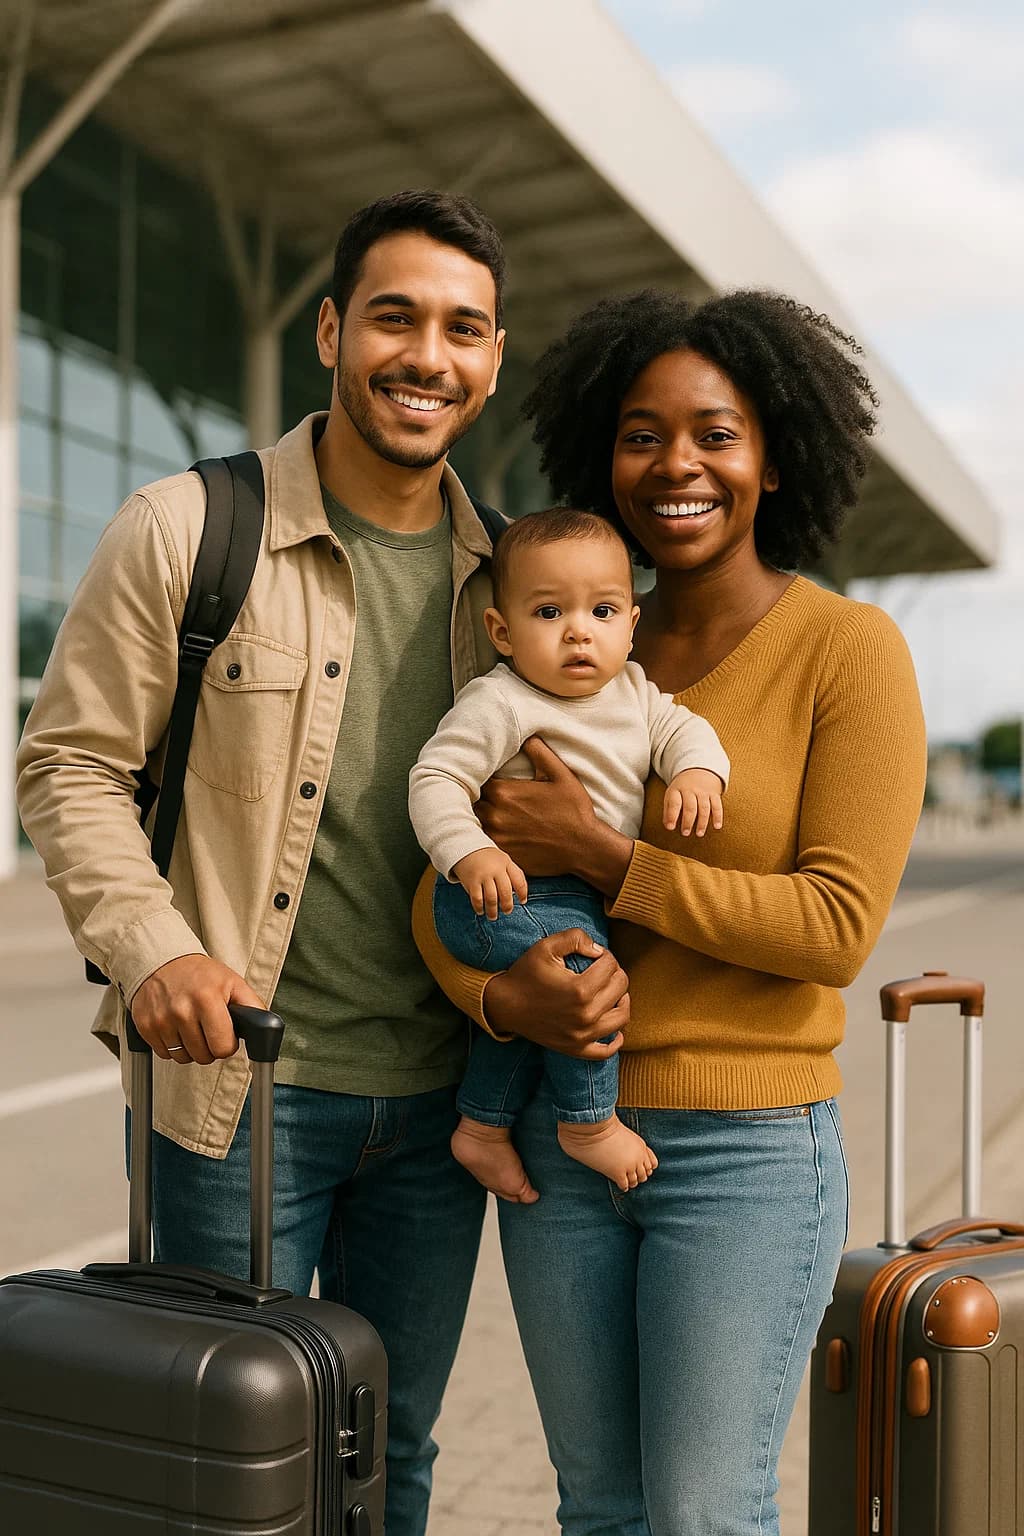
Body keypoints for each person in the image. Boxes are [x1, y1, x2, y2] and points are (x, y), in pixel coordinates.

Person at [15, 189, 624, 1536]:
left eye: (463, 329)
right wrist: (155, 945)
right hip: (241, 1097)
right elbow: (68, 764)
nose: (428, 356)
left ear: (495, 358)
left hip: (442, 1098)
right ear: (334, 332)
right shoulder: (189, 528)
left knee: (390, 1456)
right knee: (221, 1461)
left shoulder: (507, 582)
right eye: (395, 318)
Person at [413, 287, 928, 1536]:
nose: (677, 463)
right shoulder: (548, 648)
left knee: (703, 1511)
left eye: (715, 431)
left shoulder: (846, 650)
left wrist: (610, 851)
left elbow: (833, 928)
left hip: (745, 1154)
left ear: (775, 452)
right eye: (641, 434)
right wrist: (493, 992)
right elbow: (442, 876)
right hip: (555, 1139)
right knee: (597, 1509)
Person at [409, 507, 729, 1201]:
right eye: (550, 611)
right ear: (503, 632)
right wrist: (468, 853)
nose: (580, 630)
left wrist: (699, 774)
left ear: (631, 625)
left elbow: (685, 731)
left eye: (604, 610)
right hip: (491, 898)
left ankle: (482, 1126)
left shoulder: (634, 694)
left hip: (575, 897)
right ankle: (587, 1122)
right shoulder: (501, 700)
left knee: (538, 1013)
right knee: (583, 981)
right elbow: (434, 778)